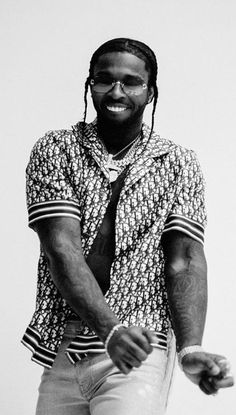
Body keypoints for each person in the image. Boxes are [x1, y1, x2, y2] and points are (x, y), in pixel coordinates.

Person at [22, 38, 233, 415]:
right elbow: (62, 251)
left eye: (131, 82)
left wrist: (190, 348)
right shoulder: (56, 149)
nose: (116, 91)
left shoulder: (178, 163)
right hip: (64, 345)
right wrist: (110, 331)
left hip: (141, 345)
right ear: (90, 84)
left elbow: (184, 259)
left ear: (151, 92)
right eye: (105, 79)